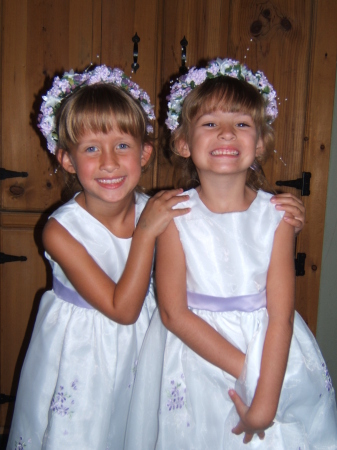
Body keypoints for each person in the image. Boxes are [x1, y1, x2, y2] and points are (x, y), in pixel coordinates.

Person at [124, 58, 337, 449]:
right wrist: (248, 373)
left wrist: (267, 392)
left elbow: (280, 315)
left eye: (241, 124)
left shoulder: (278, 217)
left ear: (258, 144)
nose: (226, 134)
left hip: (269, 354)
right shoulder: (173, 215)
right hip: (194, 358)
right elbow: (174, 312)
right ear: (184, 143)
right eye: (209, 124)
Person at [6, 65, 190, 450]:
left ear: (144, 153)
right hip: (82, 355)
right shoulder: (61, 231)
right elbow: (121, 309)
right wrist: (146, 232)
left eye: (122, 145)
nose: (109, 162)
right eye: (91, 148)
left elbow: (219, 219)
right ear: (67, 160)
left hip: (146, 347)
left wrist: (278, 210)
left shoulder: (154, 210)